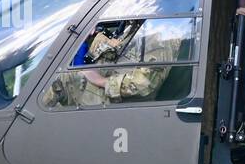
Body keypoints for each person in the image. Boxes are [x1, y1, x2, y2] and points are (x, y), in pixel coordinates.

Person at [43, 19, 174, 107]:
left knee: (57, 81)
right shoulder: (133, 25)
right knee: (52, 79)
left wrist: (101, 80)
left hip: (115, 105)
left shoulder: (159, 36)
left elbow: (146, 84)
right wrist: (89, 34)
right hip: (99, 91)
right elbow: (116, 50)